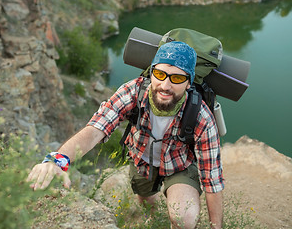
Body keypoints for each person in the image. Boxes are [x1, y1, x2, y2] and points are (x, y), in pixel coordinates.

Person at [27, 41, 224, 229]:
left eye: (177, 78)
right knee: (146, 201)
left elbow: (212, 180)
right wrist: (57, 160)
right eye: (160, 74)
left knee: (184, 218)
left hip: (179, 164)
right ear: (151, 73)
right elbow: (96, 129)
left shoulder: (201, 117)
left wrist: (216, 227)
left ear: (189, 82)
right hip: (141, 161)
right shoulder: (134, 91)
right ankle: (152, 220)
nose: (165, 85)